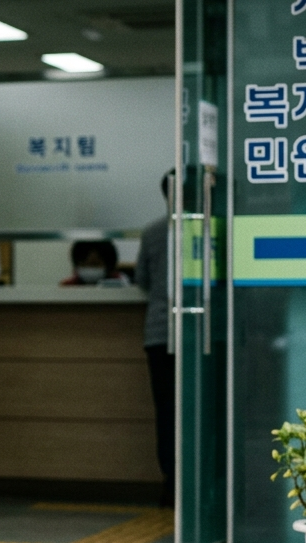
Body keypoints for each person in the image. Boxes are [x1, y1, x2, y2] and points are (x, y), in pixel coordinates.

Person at [136, 172, 174, 507]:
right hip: (202, 335)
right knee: (204, 411)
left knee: (166, 411)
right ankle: (203, 480)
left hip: (159, 333)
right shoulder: (210, 227)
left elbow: (142, 280)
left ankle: (171, 483)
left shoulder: (152, 232)